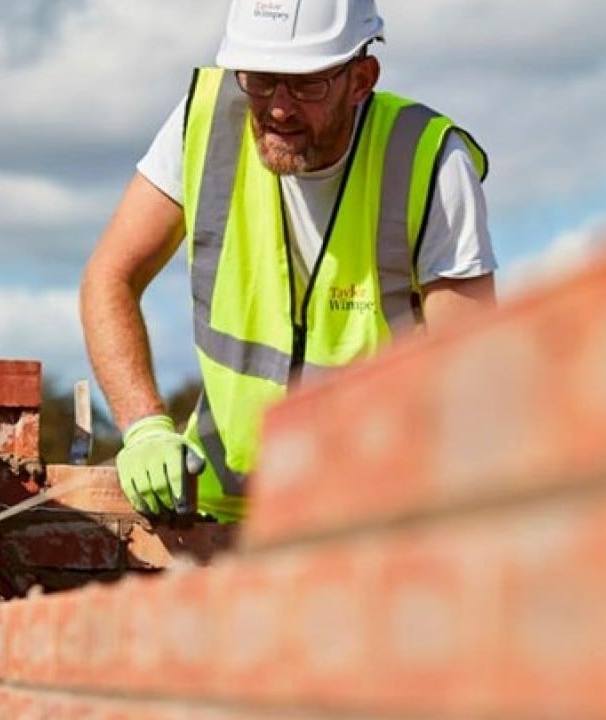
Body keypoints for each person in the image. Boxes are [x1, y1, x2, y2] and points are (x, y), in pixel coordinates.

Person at [81, 0, 497, 523]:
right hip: (218, 513)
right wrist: (143, 425)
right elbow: (109, 276)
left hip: (368, 522)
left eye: (306, 84)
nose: (277, 107)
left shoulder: (427, 160)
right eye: (259, 80)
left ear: (362, 79)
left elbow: (476, 369)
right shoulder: (204, 122)